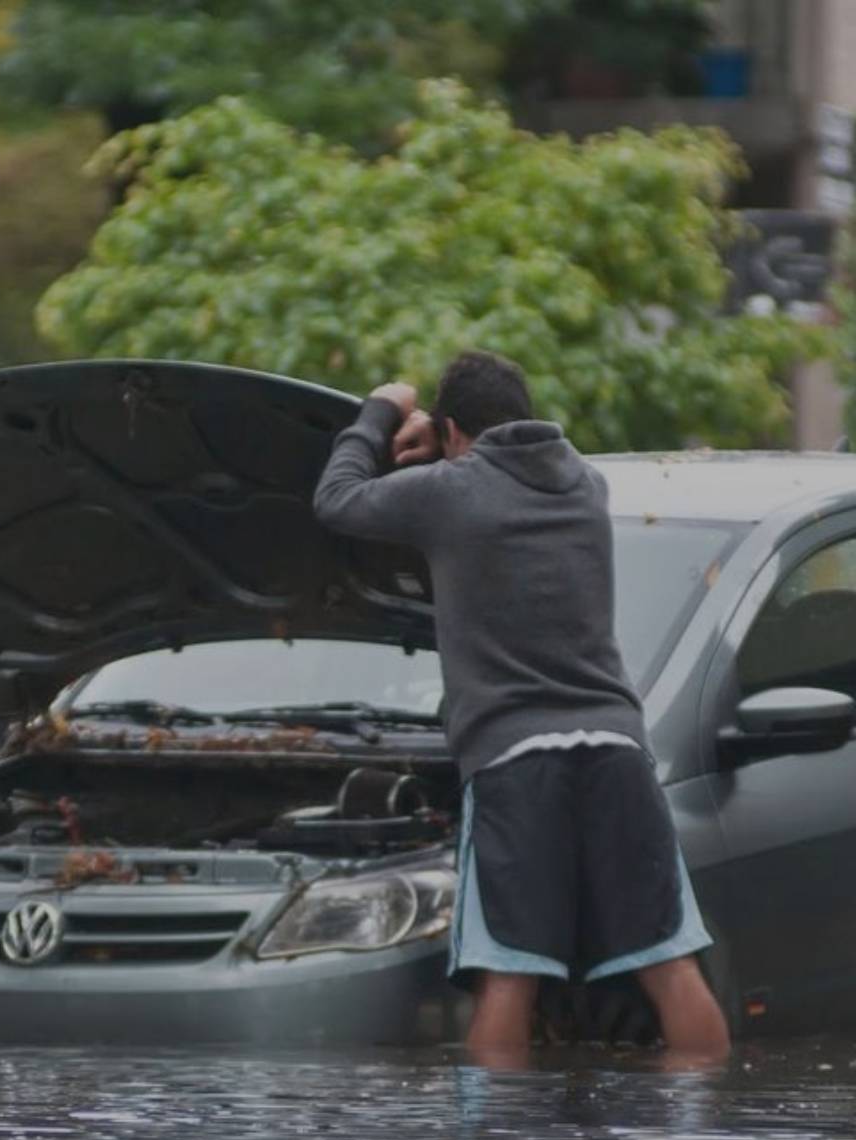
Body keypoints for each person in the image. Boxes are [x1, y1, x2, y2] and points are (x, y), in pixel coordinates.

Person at [312, 350, 731, 1058]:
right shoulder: (586, 484)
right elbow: (487, 476)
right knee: (669, 965)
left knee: (510, 977)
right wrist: (435, 441)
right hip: (616, 753)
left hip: (514, 762)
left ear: (450, 432)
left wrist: (383, 411)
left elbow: (336, 500)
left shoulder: (447, 492)